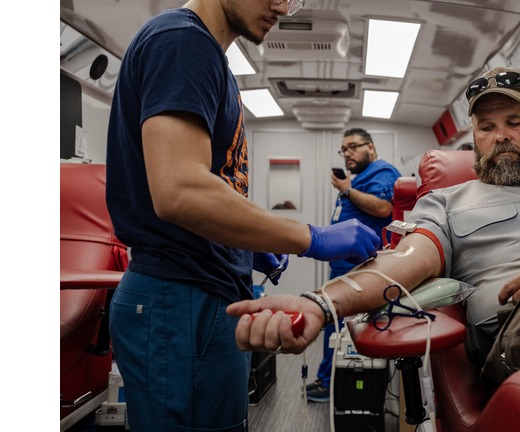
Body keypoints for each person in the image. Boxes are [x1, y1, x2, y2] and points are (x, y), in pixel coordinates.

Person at [226, 66, 520, 395]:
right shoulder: (445, 202)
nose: (499, 136)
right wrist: (319, 303)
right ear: (473, 134)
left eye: (515, 122)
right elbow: (401, 264)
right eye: (485, 126)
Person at [104, 0, 382, 430]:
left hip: (200, 290)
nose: (284, 8)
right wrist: (312, 237)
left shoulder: (208, 57)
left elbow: (210, 185)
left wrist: (242, 246)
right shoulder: (182, 41)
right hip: (179, 298)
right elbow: (179, 191)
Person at [306, 128, 402, 402]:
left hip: (358, 269)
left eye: (353, 147)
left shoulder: (383, 171)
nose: (347, 153)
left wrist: (347, 190)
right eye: (343, 149)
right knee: (334, 325)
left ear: (370, 148)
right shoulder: (361, 177)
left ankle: (333, 383)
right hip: (344, 267)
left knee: (338, 326)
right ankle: (332, 379)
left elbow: (384, 208)